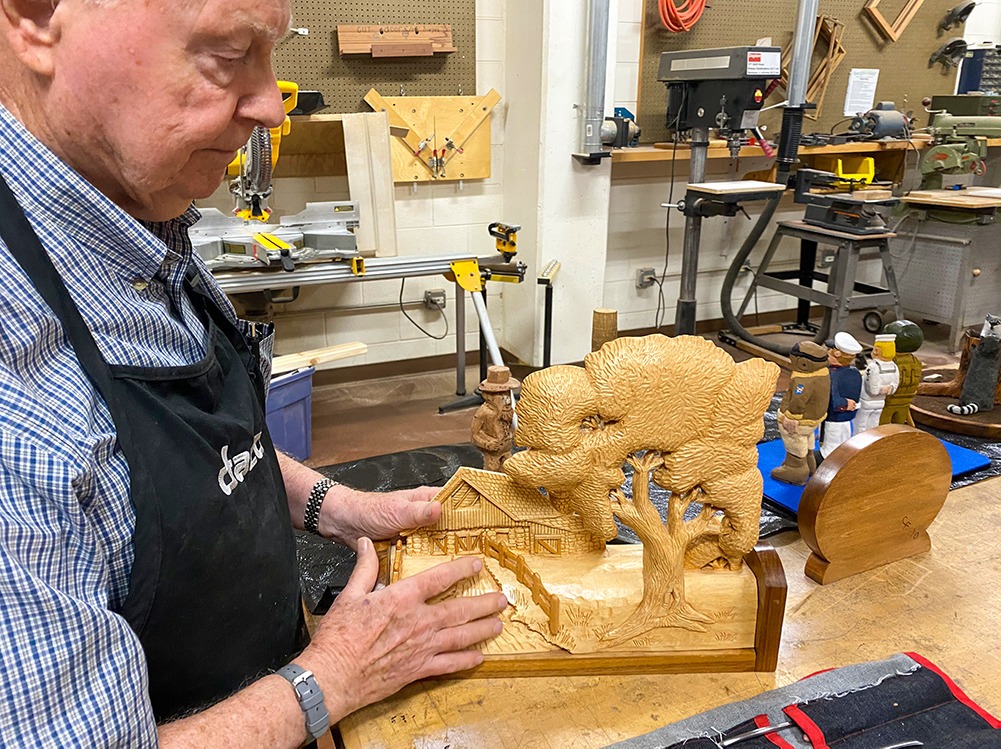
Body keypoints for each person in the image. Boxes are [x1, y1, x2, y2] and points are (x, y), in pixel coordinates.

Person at [0, 0, 507, 746]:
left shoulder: (137, 214)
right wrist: (335, 675)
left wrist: (335, 506)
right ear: (38, 18)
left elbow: (179, 464)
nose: (272, 106)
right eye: (228, 53)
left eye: (272, 52)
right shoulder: (16, 382)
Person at [771, 341, 830, 486]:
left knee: (794, 442)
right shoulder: (823, 373)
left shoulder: (803, 380)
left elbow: (798, 399)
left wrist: (792, 417)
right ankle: (810, 466)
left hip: (799, 421)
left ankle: (795, 470)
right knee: (807, 442)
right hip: (813, 419)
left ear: (803, 363)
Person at [819, 332, 863, 459]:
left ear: (837, 354)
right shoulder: (854, 372)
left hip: (833, 419)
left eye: (829, 350)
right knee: (843, 443)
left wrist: (844, 404)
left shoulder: (832, 375)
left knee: (831, 448)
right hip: (847, 419)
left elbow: (835, 400)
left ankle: (829, 465)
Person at [471, 365, 519, 472]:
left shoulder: (507, 412)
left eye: (507, 393)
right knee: (492, 472)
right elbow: (474, 435)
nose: (506, 400)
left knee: (510, 470)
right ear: (489, 395)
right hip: (492, 455)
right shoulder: (484, 412)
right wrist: (487, 444)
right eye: (500, 395)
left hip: (506, 450)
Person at [856, 333, 900, 433]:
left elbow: (872, 388)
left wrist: (879, 390)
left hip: (867, 401)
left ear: (876, 351)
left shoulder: (873, 367)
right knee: (874, 424)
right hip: (880, 401)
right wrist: (888, 389)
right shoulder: (894, 367)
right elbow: (895, 385)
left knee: (861, 425)